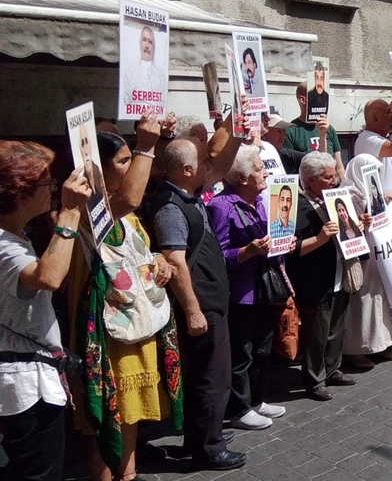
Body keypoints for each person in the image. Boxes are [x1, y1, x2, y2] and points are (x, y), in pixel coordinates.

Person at [70, 114, 186, 481]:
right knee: (107, 420)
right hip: (106, 337)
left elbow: (135, 252)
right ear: (99, 172)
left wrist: (157, 261)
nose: (132, 165)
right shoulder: (84, 212)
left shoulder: (127, 217)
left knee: (130, 414)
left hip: (136, 328)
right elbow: (131, 196)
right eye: (123, 161)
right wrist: (146, 145)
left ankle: (129, 475)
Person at [150, 122, 247, 470]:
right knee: (210, 378)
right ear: (187, 169)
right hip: (200, 304)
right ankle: (208, 447)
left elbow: (221, 168)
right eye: (203, 162)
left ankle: (205, 431)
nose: (210, 167)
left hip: (212, 299)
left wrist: (238, 128)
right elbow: (175, 261)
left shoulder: (188, 194)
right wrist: (192, 311)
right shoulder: (170, 207)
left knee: (212, 375)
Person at [0, 142, 90, 481]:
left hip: (24, 376)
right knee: (38, 472)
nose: (54, 189)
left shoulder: (14, 234)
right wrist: (69, 213)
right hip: (22, 384)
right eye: (47, 183)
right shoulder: (3, 246)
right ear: (19, 192)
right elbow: (49, 277)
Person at [207, 146, 291, 431]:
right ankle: (239, 408)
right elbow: (216, 256)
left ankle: (256, 400)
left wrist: (281, 245)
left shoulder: (260, 202)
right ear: (242, 178)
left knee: (262, 349)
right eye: (258, 168)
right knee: (242, 353)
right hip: (241, 292)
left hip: (264, 288)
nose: (265, 171)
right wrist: (246, 251)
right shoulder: (221, 206)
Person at [285, 152, 358, 401]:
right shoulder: (299, 205)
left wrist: (360, 227)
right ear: (310, 180)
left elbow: (348, 230)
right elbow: (291, 249)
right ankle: (314, 379)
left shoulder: (334, 197)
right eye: (327, 178)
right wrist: (320, 239)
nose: (334, 182)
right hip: (314, 279)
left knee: (337, 326)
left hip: (338, 273)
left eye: (334, 176)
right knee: (316, 332)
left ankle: (333, 368)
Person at [341, 155, 392, 369]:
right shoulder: (347, 194)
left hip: (376, 254)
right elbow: (347, 227)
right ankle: (356, 349)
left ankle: (381, 343)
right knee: (363, 302)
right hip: (360, 256)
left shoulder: (371, 192)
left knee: (379, 298)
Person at [354, 93, 392, 196]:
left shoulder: (377, 135)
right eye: (388, 112)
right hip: (385, 206)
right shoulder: (367, 139)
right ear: (376, 119)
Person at [283, 82, 345, 180]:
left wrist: (344, 185)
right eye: (317, 96)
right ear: (303, 99)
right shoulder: (291, 131)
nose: (322, 100)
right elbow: (289, 171)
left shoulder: (329, 128)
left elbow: (339, 167)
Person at [122, 26, 167, 107]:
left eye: (150, 42)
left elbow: (163, 102)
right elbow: (126, 101)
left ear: (154, 47)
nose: (147, 45)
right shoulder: (130, 72)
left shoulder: (160, 74)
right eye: (144, 40)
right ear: (140, 44)